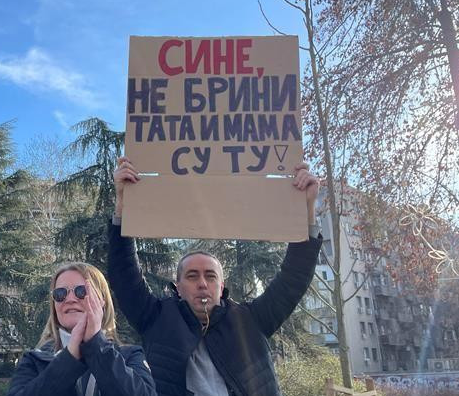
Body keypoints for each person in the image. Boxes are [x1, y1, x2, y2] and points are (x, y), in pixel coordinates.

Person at [108, 157, 322, 396]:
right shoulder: (156, 318)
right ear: (177, 287)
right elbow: (124, 274)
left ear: (222, 286)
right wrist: (123, 204)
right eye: (192, 276)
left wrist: (307, 209)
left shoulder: (252, 320)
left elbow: (294, 278)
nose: (202, 283)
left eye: (210, 276)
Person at [8, 262, 156, 396]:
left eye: (81, 291)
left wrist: (96, 345)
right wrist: (70, 357)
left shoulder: (130, 355)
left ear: (101, 301)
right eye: (60, 294)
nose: (70, 299)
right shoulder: (34, 360)